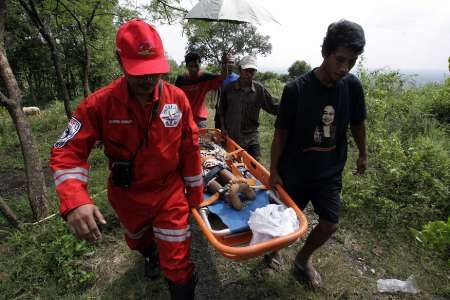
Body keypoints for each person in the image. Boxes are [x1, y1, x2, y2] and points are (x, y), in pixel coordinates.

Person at [50, 19, 203, 300]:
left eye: (154, 72)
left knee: (177, 258)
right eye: (139, 73)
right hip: (127, 196)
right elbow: (66, 150)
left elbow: (190, 147)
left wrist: (195, 194)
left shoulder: (177, 99)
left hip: (169, 193)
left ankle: (179, 284)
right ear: (120, 62)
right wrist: (75, 201)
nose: (148, 80)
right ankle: (149, 253)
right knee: (137, 241)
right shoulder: (99, 104)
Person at [269, 19, 367, 288]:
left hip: (329, 171)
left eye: (352, 61)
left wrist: (363, 154)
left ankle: (302, 259)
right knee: (285, 222)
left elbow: (358, 122)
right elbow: (281, 134)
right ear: (325, 51)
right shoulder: (295, 90)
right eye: (340, 59)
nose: (345, 67)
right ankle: (274, 248)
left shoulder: (352, 87)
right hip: (295, 172)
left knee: (330, 224)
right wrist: (273, 171)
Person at [218, 55, 279, 161]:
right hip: (233, 136)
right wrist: (223, 127)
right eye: (246, 71)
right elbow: (221, 109)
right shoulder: (229, 89)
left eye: (252, 71)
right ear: (240, 70)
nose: (249, 74)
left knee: (255, 165)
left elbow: (273, 106)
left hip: (251, 137)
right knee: (234, 167)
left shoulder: (259, 89)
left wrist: (291, 106)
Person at [175, 52, 226, 128]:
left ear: (200, 64)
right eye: (190, 66)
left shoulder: (206, 77)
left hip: (200, 119)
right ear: (186, 66)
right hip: (183, 116)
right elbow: (175, 98)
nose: (193, 69)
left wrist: (224, 65)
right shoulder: (181, 79)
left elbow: (222, 77)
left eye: (196, 66)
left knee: (200, 139)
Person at [214, 54, 239, 129]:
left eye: (232, 62)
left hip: (233, 112)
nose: (230, 64)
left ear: (234, 64)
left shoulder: (238, 78)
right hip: (220, 111)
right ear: (224, 64)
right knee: (219, 134)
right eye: (228, 62)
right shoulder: (218, 77)